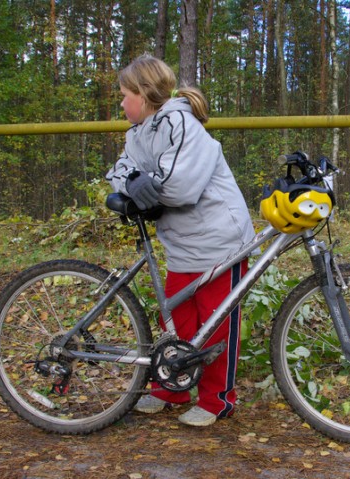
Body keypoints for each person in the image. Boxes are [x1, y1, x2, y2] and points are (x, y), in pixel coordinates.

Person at [105, 54, 255, 427]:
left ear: (143, 94)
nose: (121, 103)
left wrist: (144, 188)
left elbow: (181, 187)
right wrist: (134, 183)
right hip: (183, 245)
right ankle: (172, 388)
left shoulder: (181, 124)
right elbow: (118, 171)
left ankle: (218, 399)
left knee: (218, 325)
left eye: (125, 95)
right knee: (176, 320)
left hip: (221, 243)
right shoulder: (137, 133)